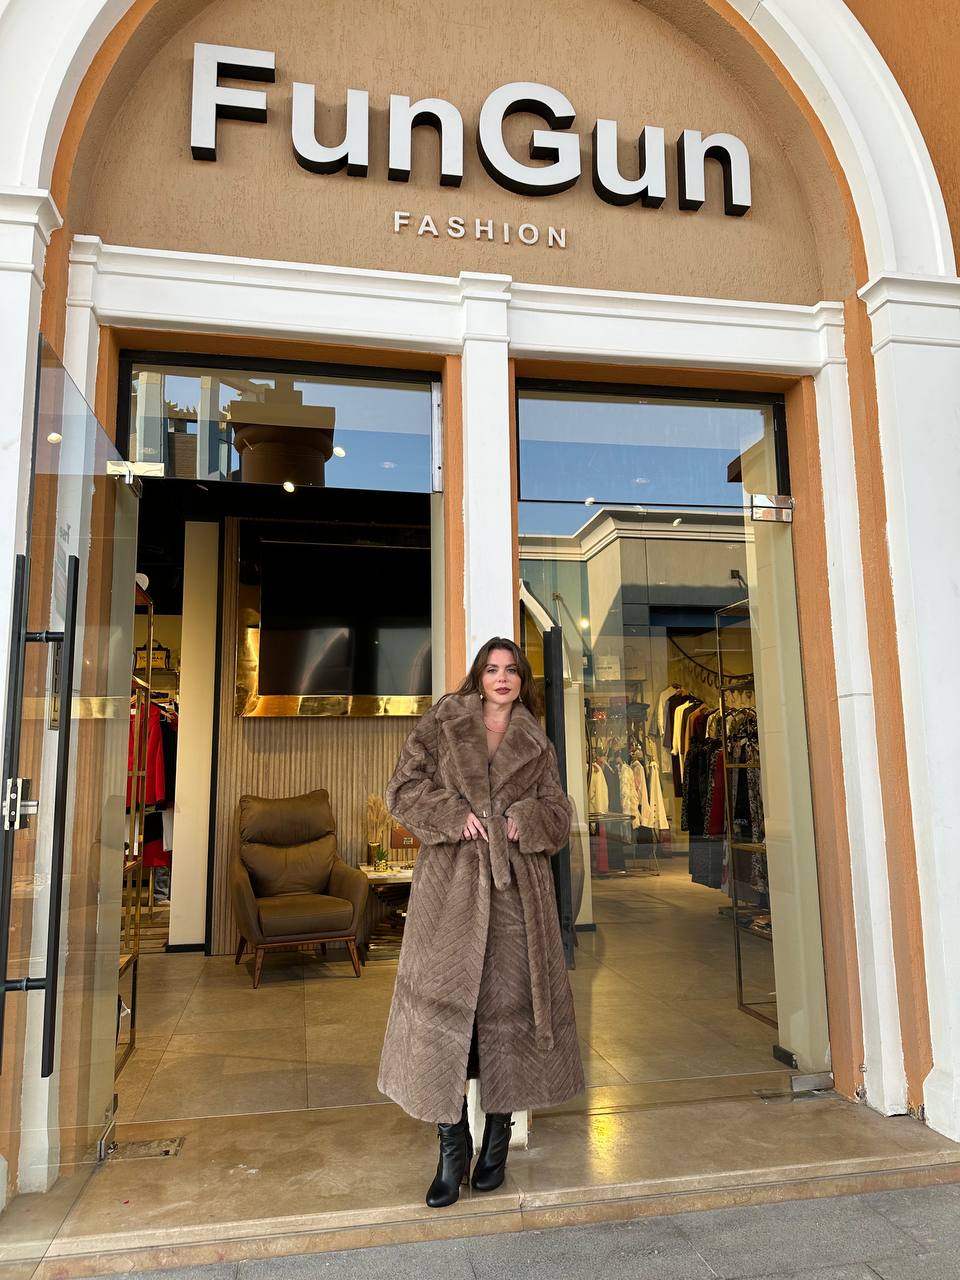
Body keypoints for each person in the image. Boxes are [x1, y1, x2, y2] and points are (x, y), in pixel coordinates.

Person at [378, 637, 584, 1208]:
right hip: (450, 891)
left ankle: (497, 1138)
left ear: (522, 679)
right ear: (479, 675)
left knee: (508, 1022)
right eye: (492, 669)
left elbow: (559, 813)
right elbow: (402, 789)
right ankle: (451, 1147)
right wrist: (453, 815)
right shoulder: (444, 722)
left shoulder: (535, 740)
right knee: (448, 1023)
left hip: (517, 897)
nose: (502, 678)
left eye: (511, 670)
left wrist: (524, 819)